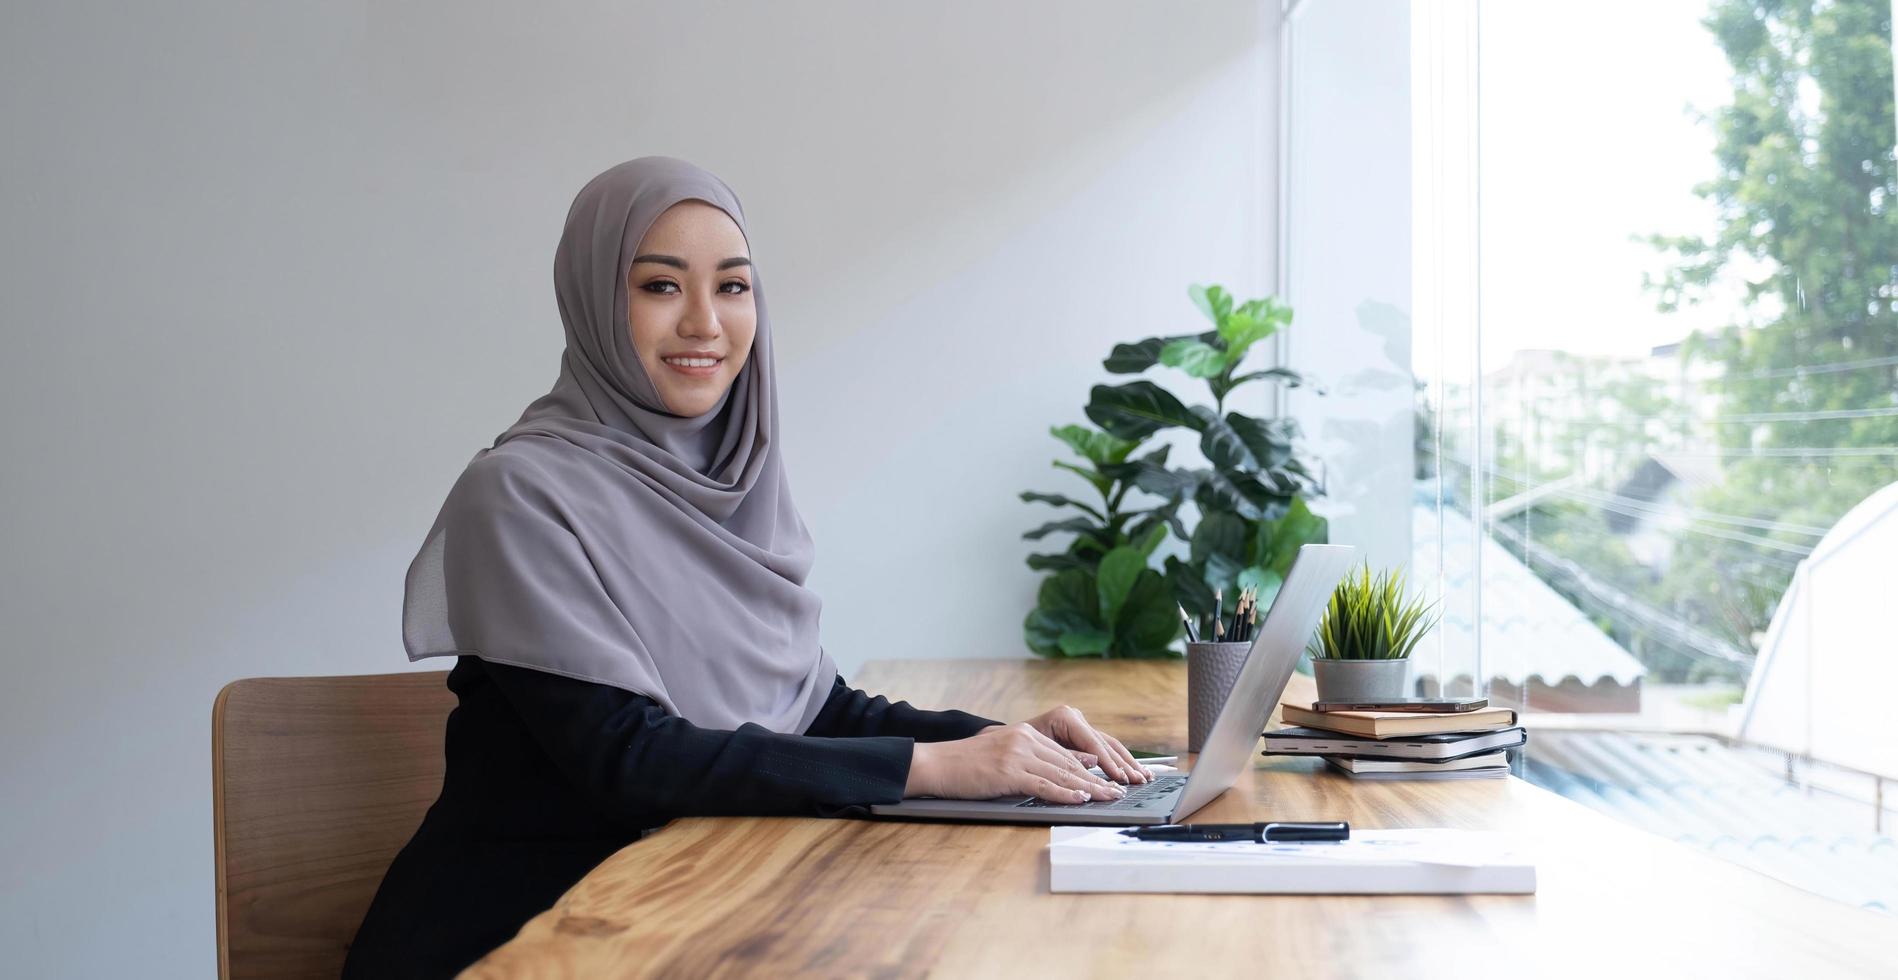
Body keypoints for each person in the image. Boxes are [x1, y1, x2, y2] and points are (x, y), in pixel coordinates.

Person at [341, 157, 1152, 978]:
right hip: (522, 942)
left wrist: (1004, 746)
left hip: (697, 917)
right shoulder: (519, 492)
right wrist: (931, 767)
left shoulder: (735, 480)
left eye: (732, 287)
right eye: (661, 287)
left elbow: (817, 709)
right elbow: (629, 756)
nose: (705, 323)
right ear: (592, 299)